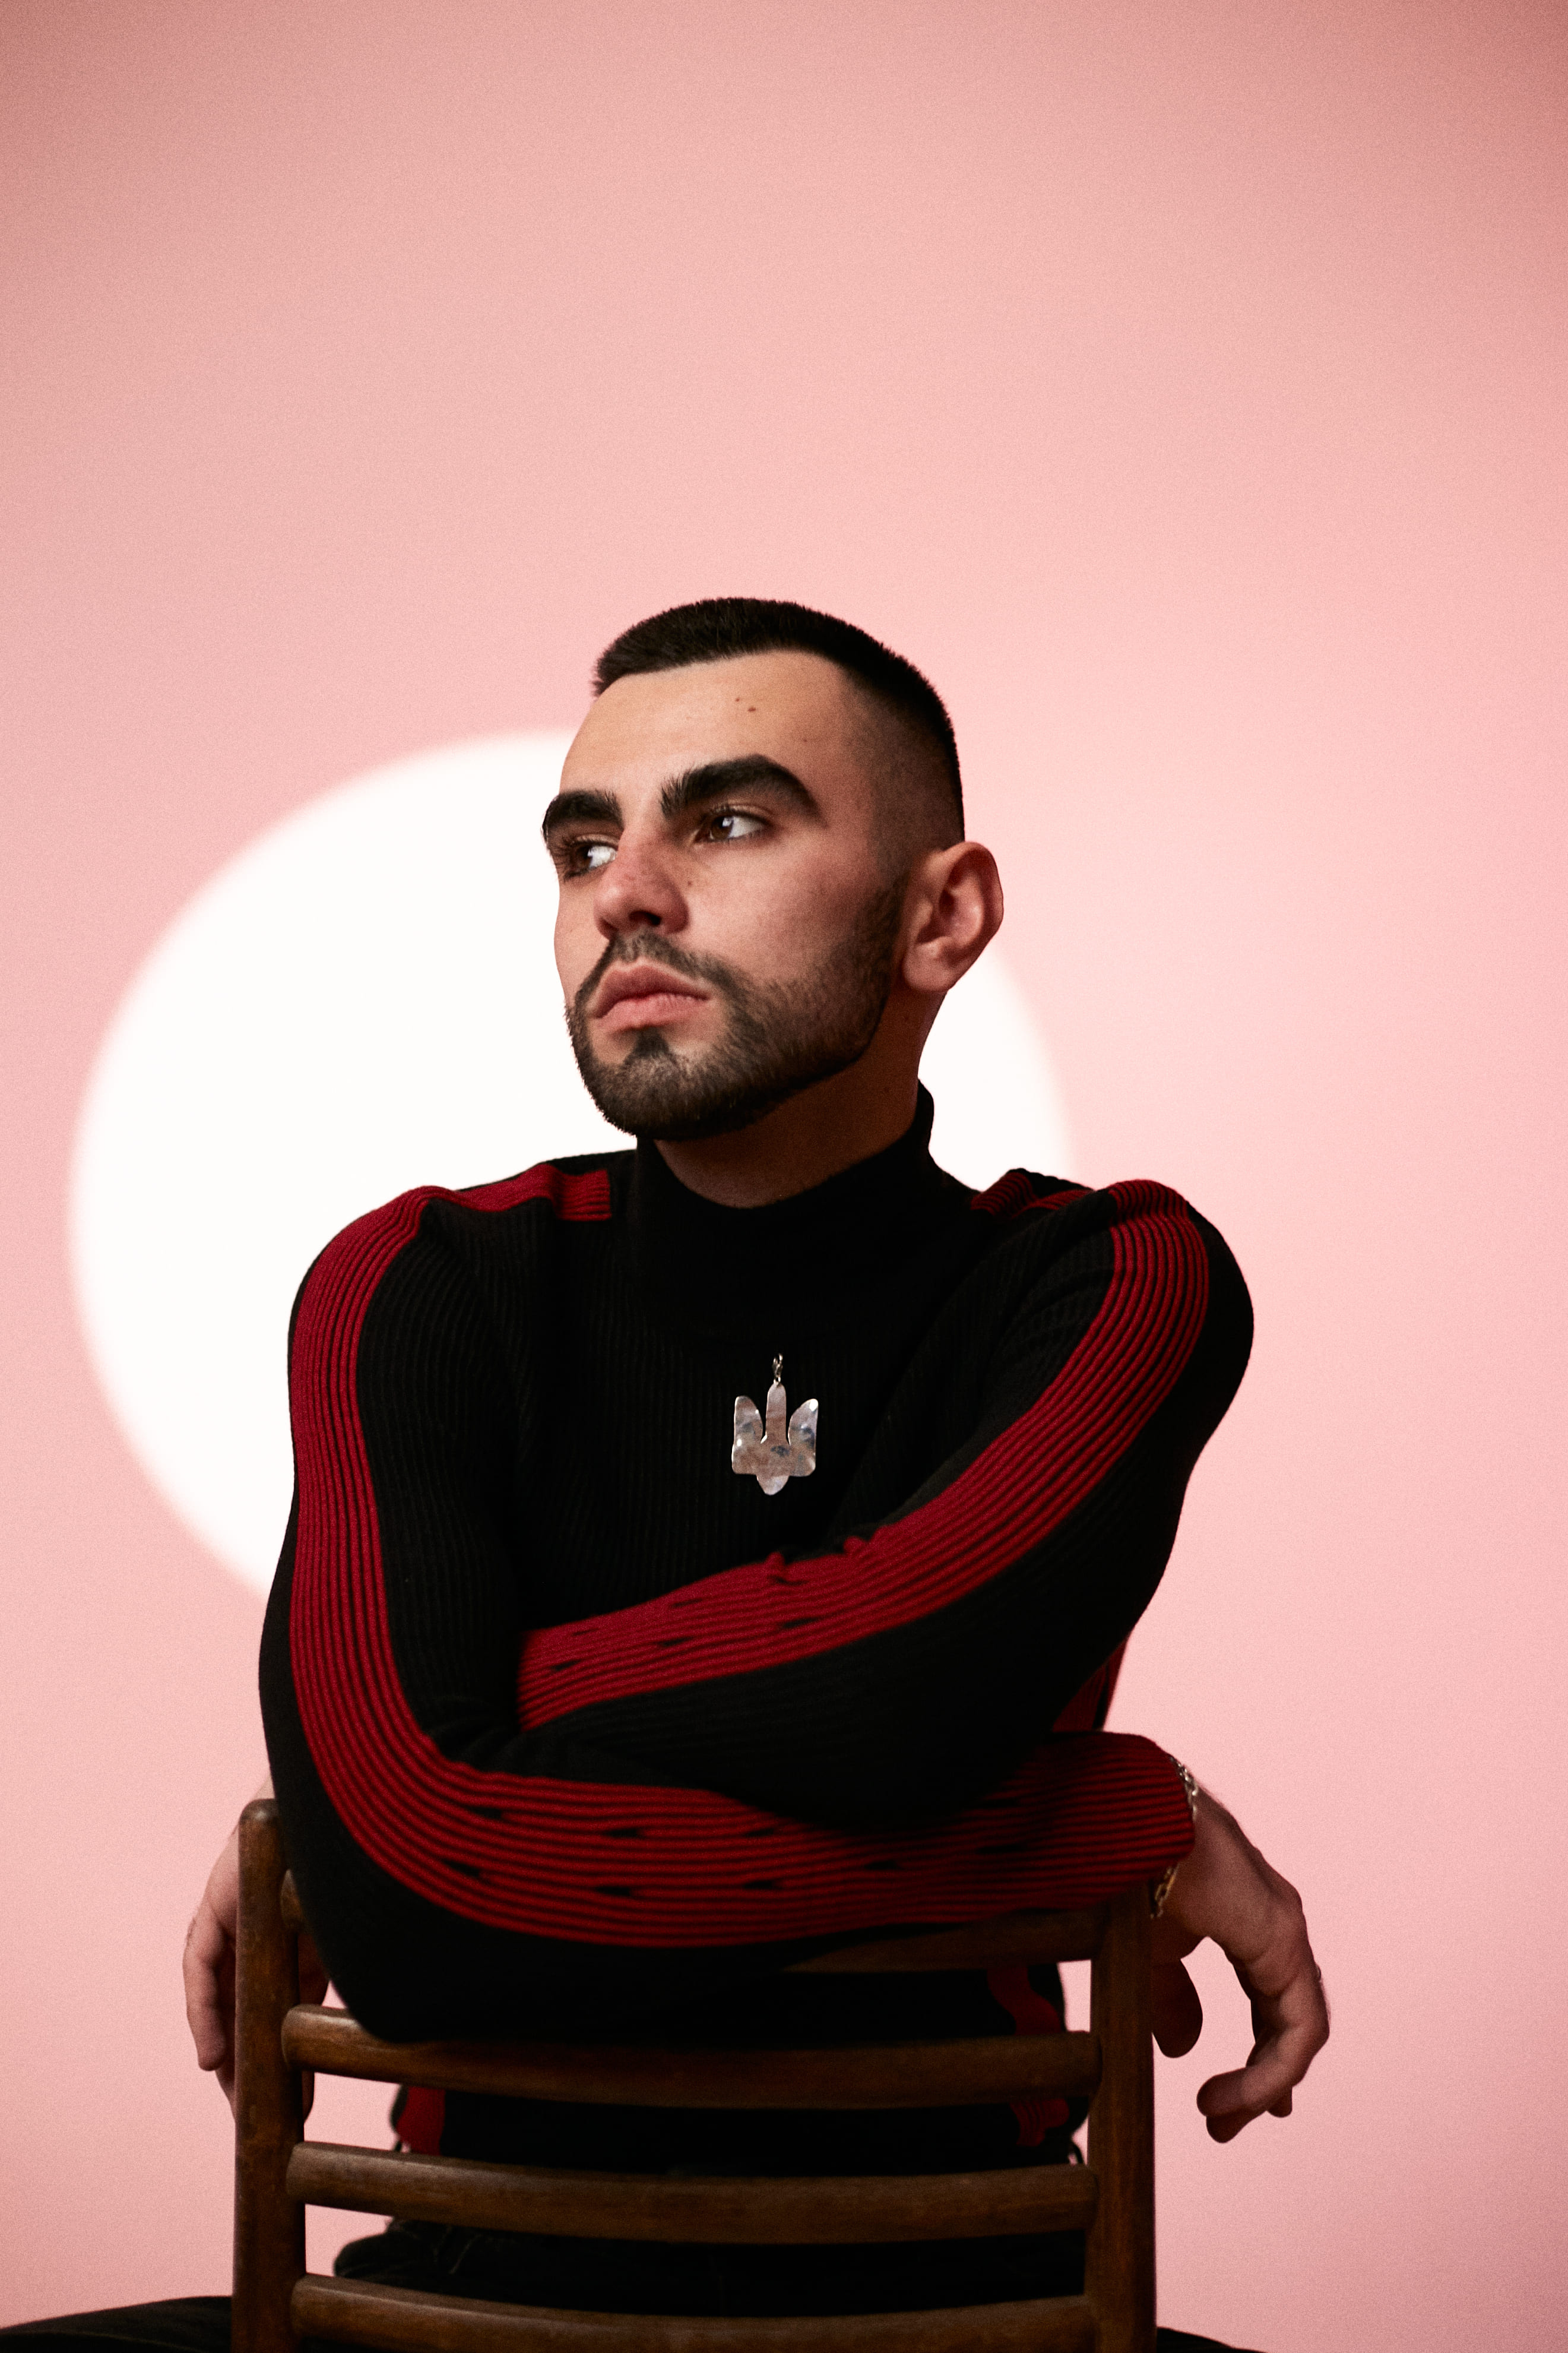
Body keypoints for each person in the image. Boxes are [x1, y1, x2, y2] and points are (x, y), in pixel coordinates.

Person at [10, 599, 1327, 2352]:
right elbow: (406, 1913)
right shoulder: (415, 1283)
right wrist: (1097, 1817)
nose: (625, 891)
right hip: (454, 2314)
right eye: (582, 847)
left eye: (728, 820)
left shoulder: (1114, 1280)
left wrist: (444, 1739)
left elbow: (895, 1701)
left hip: (979, 2314)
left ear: (941, 915)